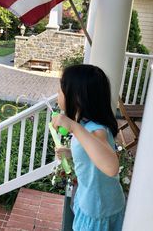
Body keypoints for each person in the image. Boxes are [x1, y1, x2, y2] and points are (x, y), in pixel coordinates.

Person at [52, 64, 126, 231]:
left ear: (76, 96)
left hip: (98, 210)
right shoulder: (85, 124)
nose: (57, 93)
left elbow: (111, 166)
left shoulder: (96, 129)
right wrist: (70, 153)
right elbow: (93, 152)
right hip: (91, 200)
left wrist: (73, 127)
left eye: (61, 88)